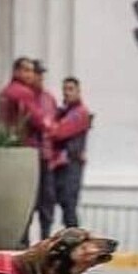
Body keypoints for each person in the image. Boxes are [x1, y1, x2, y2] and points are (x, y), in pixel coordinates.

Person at [46, 77, 92, 230]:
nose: (67, 93)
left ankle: (74, 237)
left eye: (71, 89)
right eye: (64, 89)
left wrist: (51, 127)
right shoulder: (64, 112)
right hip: (60, 164)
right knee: (58, 202)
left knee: (69, 204)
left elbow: (59, 132)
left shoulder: (80, 112)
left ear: (78, 91)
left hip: (72, 163)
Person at [30, 60, 59, 241]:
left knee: (47, 199)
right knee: (27, 201)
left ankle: (46, 238)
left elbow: (56, 124)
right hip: (30, 156)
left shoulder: (49, 99)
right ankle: (22, 241)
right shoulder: (25, 97)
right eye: (36, 73)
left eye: (41, 74)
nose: (39, 77)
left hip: (47, 157)